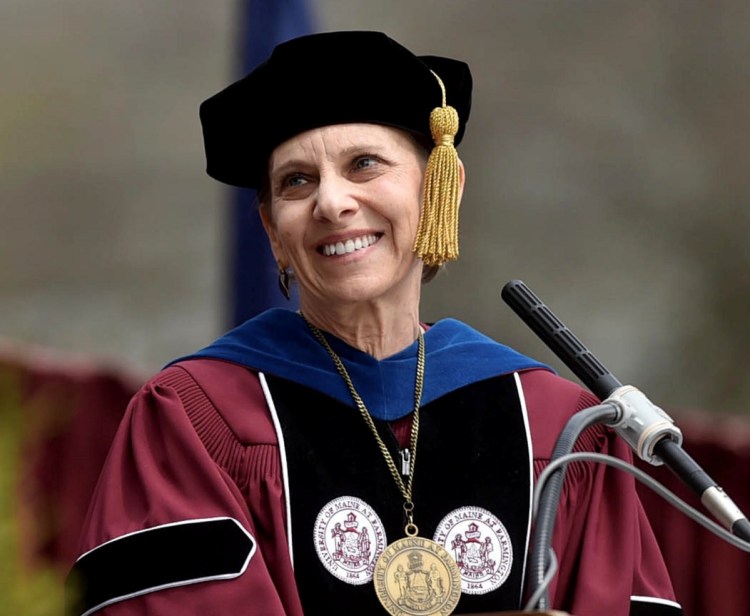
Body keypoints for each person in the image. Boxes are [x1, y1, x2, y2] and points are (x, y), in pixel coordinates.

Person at [67, 31, 683, 616]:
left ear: (443, 189)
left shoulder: (557, 425)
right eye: (296, 181)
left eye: (364, 164)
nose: (331, 203)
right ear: (271, 232)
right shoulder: (196, 418)